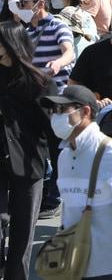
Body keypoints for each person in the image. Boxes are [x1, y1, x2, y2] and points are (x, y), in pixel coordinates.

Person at [42, 83, 112, 280]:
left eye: (63, 109)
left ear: (85, 111)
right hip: (72, 263)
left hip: (109, 267)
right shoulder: (64, 156)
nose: (56, 116)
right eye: (54, 110)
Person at [0, 20, 55, 279]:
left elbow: (53, 131)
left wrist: (62, 169)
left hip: (30, 161)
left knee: (23, 231)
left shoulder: (39, 82)